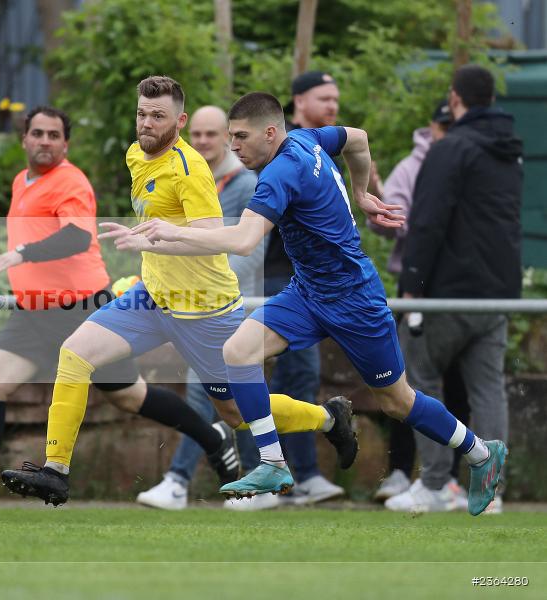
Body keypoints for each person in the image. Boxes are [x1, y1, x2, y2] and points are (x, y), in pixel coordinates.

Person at [129, 90, 506, 517]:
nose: (234, 147)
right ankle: (273, 464)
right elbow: (359, 140)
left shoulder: (279, 174)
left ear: (270, 133)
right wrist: (361, 194)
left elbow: (244, 239)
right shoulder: (307, 138)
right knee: (237, 350)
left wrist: (172, 232)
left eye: (240, 137)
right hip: (307, 292)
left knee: (396, 401)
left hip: (354, 299)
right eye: (231, 137)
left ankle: (480, 453)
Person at [0, 78, 358, 507]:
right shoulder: (136, 155)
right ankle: (56, 472)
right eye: (141, 114)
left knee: (238, 415)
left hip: (204, 309)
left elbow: (209, 234)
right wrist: (147, 243)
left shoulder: (189, 169)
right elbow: (162, 222)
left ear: (179, 121)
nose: (146, 124)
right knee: (75, 354)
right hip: (153, 297)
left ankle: (327, 418)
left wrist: (151, 239)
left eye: (158, 116)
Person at [0, 105, 244, 514]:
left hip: (80, 307)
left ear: (65, 144)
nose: (44, 141)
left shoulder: (70, 181)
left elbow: (75, 237)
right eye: (37, 133)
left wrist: (22, 254)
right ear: (24, 139)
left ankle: (213, 438)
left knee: (130, 397)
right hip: (34, 312)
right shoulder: (23, 181)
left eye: (53, 135)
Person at [388, 65, 522, 514]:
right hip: (497, 293)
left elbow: (426, 224)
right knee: (488, 389)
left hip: (447, 292)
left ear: (455, 98)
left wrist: (412, 289)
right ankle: (491, 491)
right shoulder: (509, 152)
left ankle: (435, 483)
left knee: (418, 376)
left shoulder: (450, 149)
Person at [135, 105, 267, 511]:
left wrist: (211, 284)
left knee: (217, 393)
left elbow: (250, 247)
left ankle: (186, 480)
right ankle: (253, 479)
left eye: (214, 134)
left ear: (228, 137)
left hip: (221, 302)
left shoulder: (244, 183)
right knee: (229, 398)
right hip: (182, 300)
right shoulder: (178, 168)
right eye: (200, 135)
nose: (205, 141)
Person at [367, 100, 470, 508]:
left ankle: (453, 480)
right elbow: (391, 221)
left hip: (458, 288)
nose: (445, 131)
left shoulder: (470, 161)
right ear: (432, 126)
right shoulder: (413, 167)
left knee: (455, 387)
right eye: (441, 125)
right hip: (417, 288)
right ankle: (405, 474)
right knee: (404, 385)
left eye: (451, 124)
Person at [267, 71, 344, 506]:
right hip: (284, 275)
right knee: (296, 373)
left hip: (314, 278)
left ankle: (291, 477)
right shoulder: (289, 149)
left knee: (293, 375)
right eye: (324, 97)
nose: (333, 104)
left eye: (336, 98)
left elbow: (357, 141)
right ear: (298, 100)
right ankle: (296, 477)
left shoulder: (319, 144)